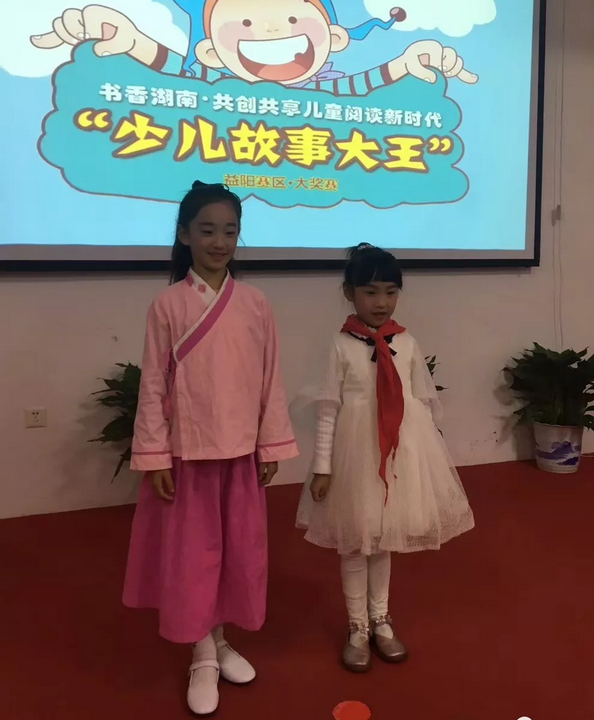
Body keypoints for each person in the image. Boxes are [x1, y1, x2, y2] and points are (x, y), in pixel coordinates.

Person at [123, 181, 298, 715]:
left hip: (240, 451)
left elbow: (270, 378)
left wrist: (269, 444)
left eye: (229, 231)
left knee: (236, 552)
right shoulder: (167, 305)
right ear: (184, 235)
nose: (219, 242)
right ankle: (201, 652)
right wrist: (155, 456)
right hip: (189, 452)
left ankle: (220, 639)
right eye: (207, 230)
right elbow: (153, 384)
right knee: (193, 557)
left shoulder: (255, 303)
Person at [296, 244, 474, 673]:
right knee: (356, 539)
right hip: (356, 454)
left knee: (384, 536)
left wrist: (427, 456)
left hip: (399, 453)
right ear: (349, 293)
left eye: (391, 292)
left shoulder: (406, 342)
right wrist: (322, 467)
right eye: (371, 291)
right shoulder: (341, 345)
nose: (381, 302)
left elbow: (421, 401)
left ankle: (381, 618)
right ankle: (357, 625)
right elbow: (328, 408)